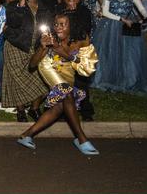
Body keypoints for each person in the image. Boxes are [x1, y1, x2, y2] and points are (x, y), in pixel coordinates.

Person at [17, 13, 99, 155]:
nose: (58, 28)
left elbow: (87, 68)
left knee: (60, 107)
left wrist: (64, 53)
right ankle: (81, 139)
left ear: (72, 26)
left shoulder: (81, 39)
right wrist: (43, 48)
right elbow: (32, 65)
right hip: (49, 66)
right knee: (67, 93)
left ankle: (26, 135)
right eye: (56, 24)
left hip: (68, 70)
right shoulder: (49, 39)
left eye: (63, 24)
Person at [92, 0, 147, 93]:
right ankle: (108, 78)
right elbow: (105, 12)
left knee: (130, 53)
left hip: (129, 26)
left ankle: (129, 80)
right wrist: (121, 19)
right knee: (110, 52)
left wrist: (146, 17)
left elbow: (140, 7)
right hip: (111, 26)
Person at [2, 0, 54, 122]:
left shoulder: (46, 9)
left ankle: (34, 108)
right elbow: (12, 23)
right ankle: (20, 111)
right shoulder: (13, 5)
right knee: (16, 80)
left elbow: (49, 27)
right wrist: (20, 5)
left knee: (41, 79)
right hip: (15, 45)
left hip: (37, 47)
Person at [57, 0, 95, 120]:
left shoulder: (84, 11)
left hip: (79, 49)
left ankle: (86, 111)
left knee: (81, 82)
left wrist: (73, 15)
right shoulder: (58, 10)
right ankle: (62, 111)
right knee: (63, 82)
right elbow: (56, 29)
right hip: (61, 49)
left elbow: (83, 31)